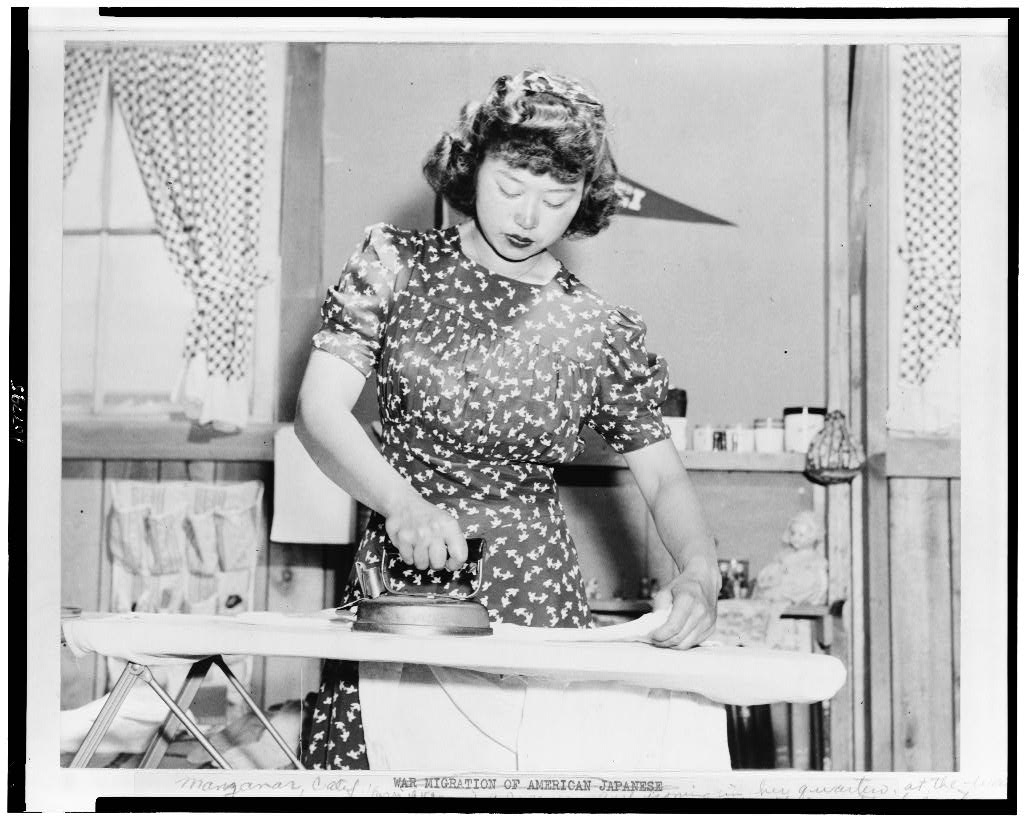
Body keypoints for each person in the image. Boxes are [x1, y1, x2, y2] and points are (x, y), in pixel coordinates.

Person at [295, 69, 721, 770]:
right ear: (470, 169)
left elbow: (664, 478)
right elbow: (319, 409)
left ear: (586, 199)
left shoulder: (595, 326)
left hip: (536, 600)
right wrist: (401, 504)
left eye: (557, 199)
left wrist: (699, 573)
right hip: (406, 587)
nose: (529, 218)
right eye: (511, 188)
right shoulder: (397, 265)